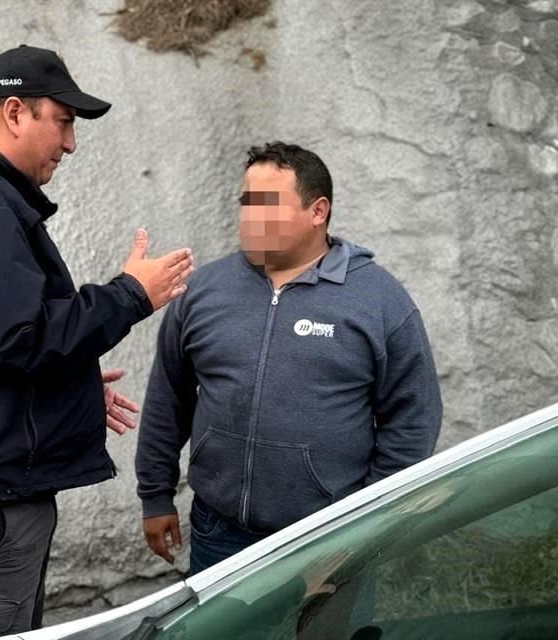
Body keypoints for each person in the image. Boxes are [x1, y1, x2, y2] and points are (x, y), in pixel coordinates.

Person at [0, 45, 194, 639]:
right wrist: (132, 294)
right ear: (17, 112)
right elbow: (14, 338)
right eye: (65, 120)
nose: (71, 143)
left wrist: (69, 390)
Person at [136, 141, 442, 577]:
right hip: (218, 532)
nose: (251, 217)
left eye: (268, 205)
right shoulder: (205, 291)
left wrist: (366, 520)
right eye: (247, 203)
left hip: (330, 535)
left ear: (318, 211)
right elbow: (168, 397)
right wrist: (156, 494)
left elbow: (413, 419)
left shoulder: (379, 301)